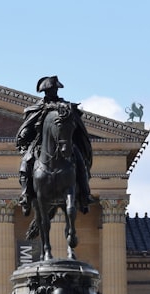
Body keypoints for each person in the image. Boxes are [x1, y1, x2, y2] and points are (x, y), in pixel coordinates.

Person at [15, 75, 94, 216]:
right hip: (40, 144)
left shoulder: (65, 107)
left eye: (55, 90)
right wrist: (25, 133)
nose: (53, 92)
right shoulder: (38, 108)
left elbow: (76, 125)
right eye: (51, 90)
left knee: (80, 162)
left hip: (65, 144)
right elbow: (29, 125)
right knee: (25, 163)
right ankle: (25, 195)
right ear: (45, 92)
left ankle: (85, 195)